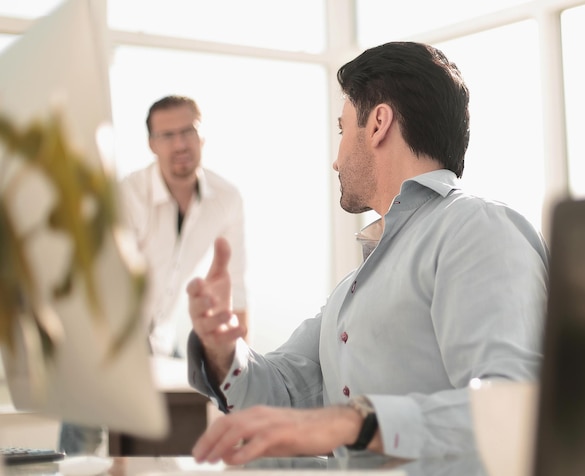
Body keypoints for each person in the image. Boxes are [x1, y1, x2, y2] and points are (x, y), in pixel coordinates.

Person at [186, 42, 549, 465]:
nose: (335, 162)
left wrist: (357, 422)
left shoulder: (476, 227)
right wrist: (222, 352)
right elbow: (285, 391)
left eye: (342, 130)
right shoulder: (354, 289)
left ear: (378, 123)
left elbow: (517, 409)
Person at [58, 95, 248, 454]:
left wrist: (243, 382)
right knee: (80, 450)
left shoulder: (227, 198)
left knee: (170, 444)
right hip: (103, 333)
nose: (179, 144)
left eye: (188, 131)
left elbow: (237, 286)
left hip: (158, 333)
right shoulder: (128, 195)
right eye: (167, 135)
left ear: (202, 136)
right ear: (151, 144)